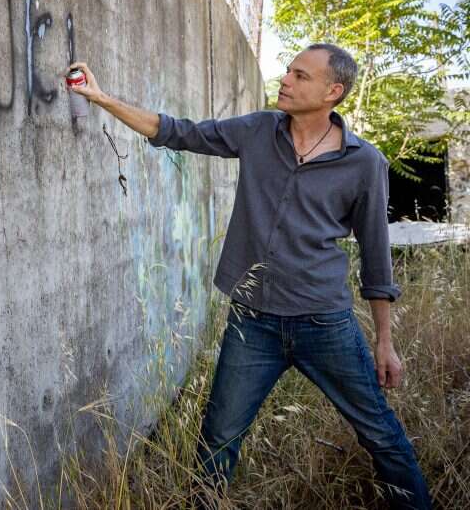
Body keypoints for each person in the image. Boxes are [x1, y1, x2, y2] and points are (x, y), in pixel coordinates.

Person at [66, 44, 432, 509]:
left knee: (381, 434)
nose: (286, 79)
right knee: (217, 442)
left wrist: (385, 341)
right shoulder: (258, 130)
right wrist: (100, 98)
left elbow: (377, 258)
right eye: (289, 71)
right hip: (252, 324)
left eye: (301, 76)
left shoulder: (365, 163)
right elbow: (177, 132)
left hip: (325, 324)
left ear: (332, 92)